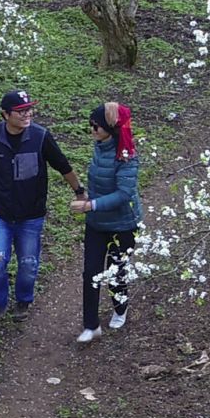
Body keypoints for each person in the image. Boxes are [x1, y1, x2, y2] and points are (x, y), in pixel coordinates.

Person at [0, 89, 85, 330]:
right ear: (5, 114)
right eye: (20, 111)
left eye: (29, 110)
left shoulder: (41, 137)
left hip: (31, 215)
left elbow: (63, 165)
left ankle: (23, 300)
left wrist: (79, 191)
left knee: (29, 263)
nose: (26, 114)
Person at [70, 100, 142, 343]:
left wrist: (92, 205)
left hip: (123, 225)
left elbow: (124, 194)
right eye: (90, 126)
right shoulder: (99, 148)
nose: (91, 131)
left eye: (96, 127)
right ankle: (91, 325)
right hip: (97, 223)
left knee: (116, 271)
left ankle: (120, 308)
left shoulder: (126, 156)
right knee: (91, 272)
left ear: (110, 129)